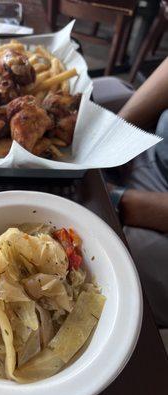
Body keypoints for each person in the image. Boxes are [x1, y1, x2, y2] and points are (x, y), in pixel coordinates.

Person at [100, 57, 168, 327]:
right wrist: (118, 130)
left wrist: (118, 199)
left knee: (119, 260)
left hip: (159, 205)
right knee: (99, 91)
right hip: (157, 144)